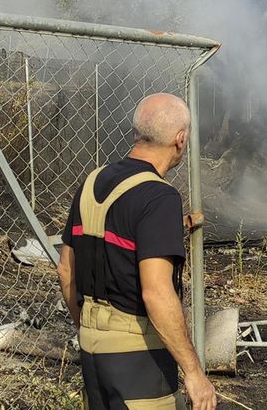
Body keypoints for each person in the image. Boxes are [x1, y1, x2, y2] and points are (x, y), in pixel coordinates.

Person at [57, 92, 217, 410]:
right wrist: (194, 373)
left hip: (92, 350)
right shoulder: (159, 197)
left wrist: (90, 328)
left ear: (137, 133)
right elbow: (156, 294)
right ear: (180, 139)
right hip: (139, 359)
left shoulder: (91, 182)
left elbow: (65, 270)